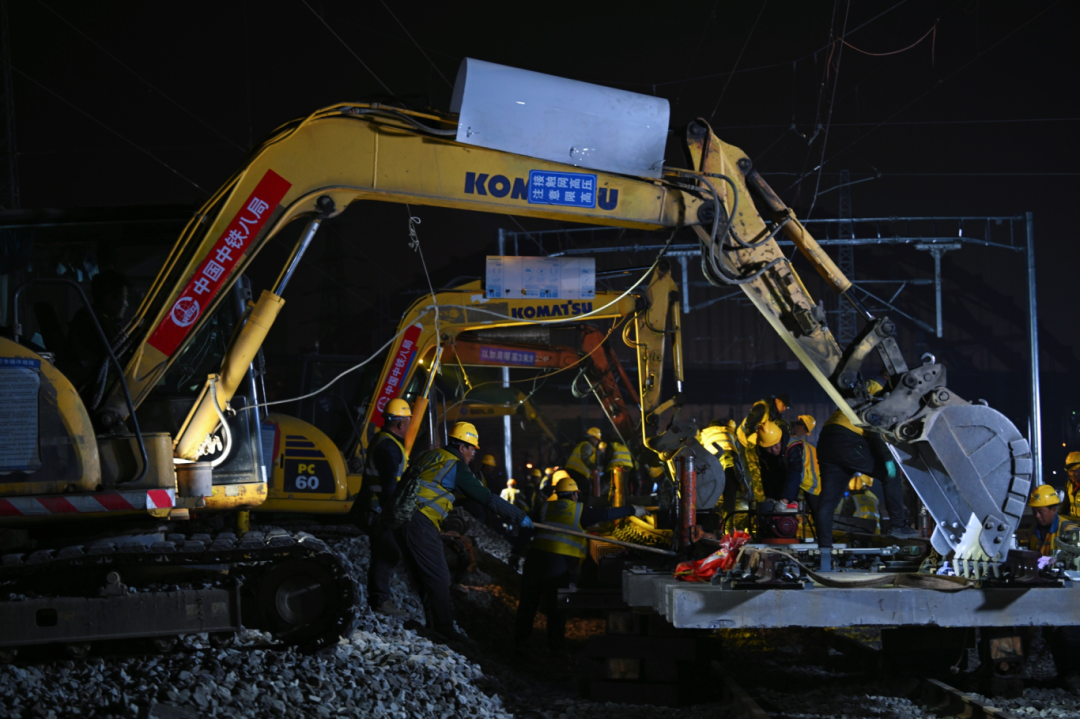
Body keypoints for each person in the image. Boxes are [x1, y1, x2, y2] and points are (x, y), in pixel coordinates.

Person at [400, 421, 531, 642]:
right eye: (472, 449)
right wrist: (518, 516)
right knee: (439, 576)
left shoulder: (429, 456)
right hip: (421, 522)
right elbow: (485, 497)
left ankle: (430, 623)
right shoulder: (456, 466)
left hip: (403, 518)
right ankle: (443, 629)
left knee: (425, 574)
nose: (474, 454)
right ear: (462, 447)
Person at [514, 471, 645, 654]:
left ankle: (518, 644)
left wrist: (515, 553)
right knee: (556, 608)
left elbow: (526, 528)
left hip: (534, 559)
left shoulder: (545, 507)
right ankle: (555, 650)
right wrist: (633, 510)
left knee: (528, 603)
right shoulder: (580, 510)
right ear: (574, 495)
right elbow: (606, 514)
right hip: (557, 564)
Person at [815, 373, 916, 562]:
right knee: (890, 474)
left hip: (827, 439)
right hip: (848, 439)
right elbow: (876, 423)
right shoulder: (879, 389)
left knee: (828, 502)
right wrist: (888, 459)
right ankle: (898, 525)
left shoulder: (865, 386)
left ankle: (825, 553)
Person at [362, 398, 413, 616]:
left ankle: (379, 599)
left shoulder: (385, 441)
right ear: (401, 423)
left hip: (377, 507)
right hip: (380, 510)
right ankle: (381, 601)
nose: (409, 424)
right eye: (408, 420)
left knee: (384, 553)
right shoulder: (389, 446)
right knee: (386, 554)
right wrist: (395, 513)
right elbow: (389, 484)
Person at [63, 269, 132, 397]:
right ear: (110, 300)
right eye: (125, 298)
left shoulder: (90, 315)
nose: (126, 304)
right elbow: (122, 358)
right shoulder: (98, 322)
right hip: (104, 393)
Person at [778, 415, 822, 522]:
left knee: (817, 517)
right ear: (802, 427)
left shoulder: (792, 441)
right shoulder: (793, 441)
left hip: (811, 483)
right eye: (805, 432)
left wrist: (785, 500)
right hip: (811, 483)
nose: (803, 434)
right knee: (817, 517)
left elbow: (795, 472)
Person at [1027, 484, 1079, 556]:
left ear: (1053, 510)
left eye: (1040, 512)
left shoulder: (1070, 530)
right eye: (1034, 511)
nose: (1037, 516)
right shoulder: (1033, 531)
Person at [750, 420, 789, 502]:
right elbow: (764, 477)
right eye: (768, 448)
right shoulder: (760, 453)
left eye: (776, 445)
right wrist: (769, 497)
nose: (773, 450)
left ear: (780, 438)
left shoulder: (791, 447)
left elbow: (795, 474)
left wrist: (786, 499)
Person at [565, 427, 602, 496]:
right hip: (578, 473)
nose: (597, 442)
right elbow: (585, 457)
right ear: (592, 438)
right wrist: (592, 466)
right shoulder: (588, 445)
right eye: (597, 439)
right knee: (585, 491)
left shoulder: (582, 444)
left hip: (572, 471)